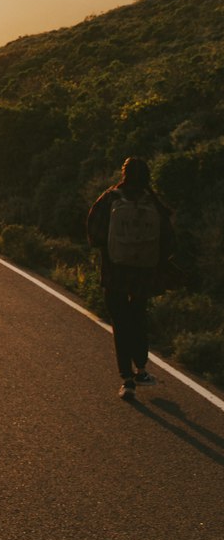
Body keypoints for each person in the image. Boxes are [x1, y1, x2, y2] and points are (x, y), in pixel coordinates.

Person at [86, 156, 174, 401]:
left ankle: (127, 380)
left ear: (123, 174)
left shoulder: (110, 198)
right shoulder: (153, 202)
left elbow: (93, 233)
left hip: (115, 273)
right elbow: (168, 239)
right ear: (147, 176)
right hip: (143, 274)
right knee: (138, 317)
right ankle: (142, 369)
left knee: (120, 322)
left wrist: (112, 249)